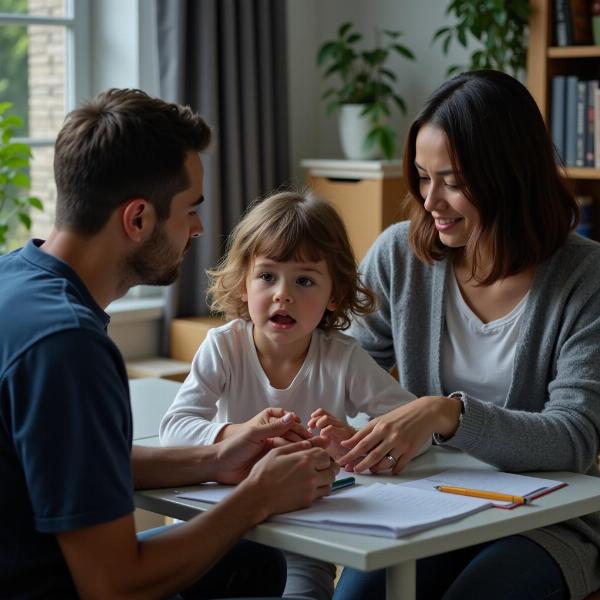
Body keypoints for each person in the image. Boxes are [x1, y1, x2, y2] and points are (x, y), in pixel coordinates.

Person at [0, 88, 339, 600]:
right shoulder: (68, 345)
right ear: (137, 219)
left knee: (255, 562)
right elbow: (113, 585)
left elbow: (79, 462)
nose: (199, 228)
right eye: (190, 209)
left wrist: (216, 458)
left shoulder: (14, 280)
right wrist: (255, 498)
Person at [331, 69, 600, 600]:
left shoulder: (585, 278)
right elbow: (340, 360)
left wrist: (447, 413)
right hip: (425, 500)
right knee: (356, 598)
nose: (431, 200)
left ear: (510, 175)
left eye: (452, 182)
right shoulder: (399, 256)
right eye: (423, 176)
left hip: (546, 521)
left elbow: (574, 438)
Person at [159, 190, 427, 600]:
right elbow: (174, 430)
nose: (282, 294)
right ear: (244, 283)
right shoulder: (224, 347)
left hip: (305, 541)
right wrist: (239, 433)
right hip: (220, 525)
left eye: (304, 280)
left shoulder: (341, 358)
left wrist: (353, 444)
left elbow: (413, 424)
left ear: (334, 294)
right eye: (267, 276)